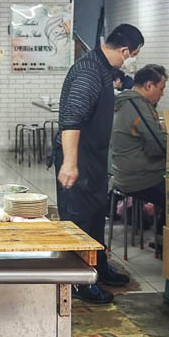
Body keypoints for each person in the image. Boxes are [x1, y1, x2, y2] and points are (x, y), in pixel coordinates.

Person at [54, 23, 145, 304]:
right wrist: (70, 163)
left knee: (95, 214)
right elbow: (72, 119)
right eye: (134, 55)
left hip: (92, 156)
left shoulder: (104, 68)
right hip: (78, 155)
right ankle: (79, 282)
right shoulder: (89, 71)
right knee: (79, 219)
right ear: (124, 50)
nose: (132, 61)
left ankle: (98, 267)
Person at [111, 65, 168, 257]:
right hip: (138, 177)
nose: (161, 95)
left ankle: (162, 240)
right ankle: (164, 246)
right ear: (150, 85)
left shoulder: (124, 101)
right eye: (161, 89)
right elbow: (158, 146)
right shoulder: (138, 106)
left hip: (121, 172)